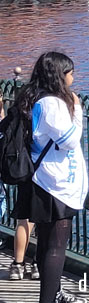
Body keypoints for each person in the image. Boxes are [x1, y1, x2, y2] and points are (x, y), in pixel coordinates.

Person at [11, 52, 88, 303]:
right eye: (70, 72)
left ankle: (53, 292)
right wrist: (77, 109)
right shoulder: (54, 104)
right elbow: (69, 141)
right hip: (54, 184)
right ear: (59, 75)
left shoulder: (30, 97)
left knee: (45, 243)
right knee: (56, 245)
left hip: (40, 181)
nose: (73, 77)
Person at [1, 86, 41, 281]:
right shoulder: (41, 117)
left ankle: (17, 264)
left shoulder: (15, 115)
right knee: (45, 219)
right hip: (41, 169)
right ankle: (38, 263)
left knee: (24, 218)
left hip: (21, 169)